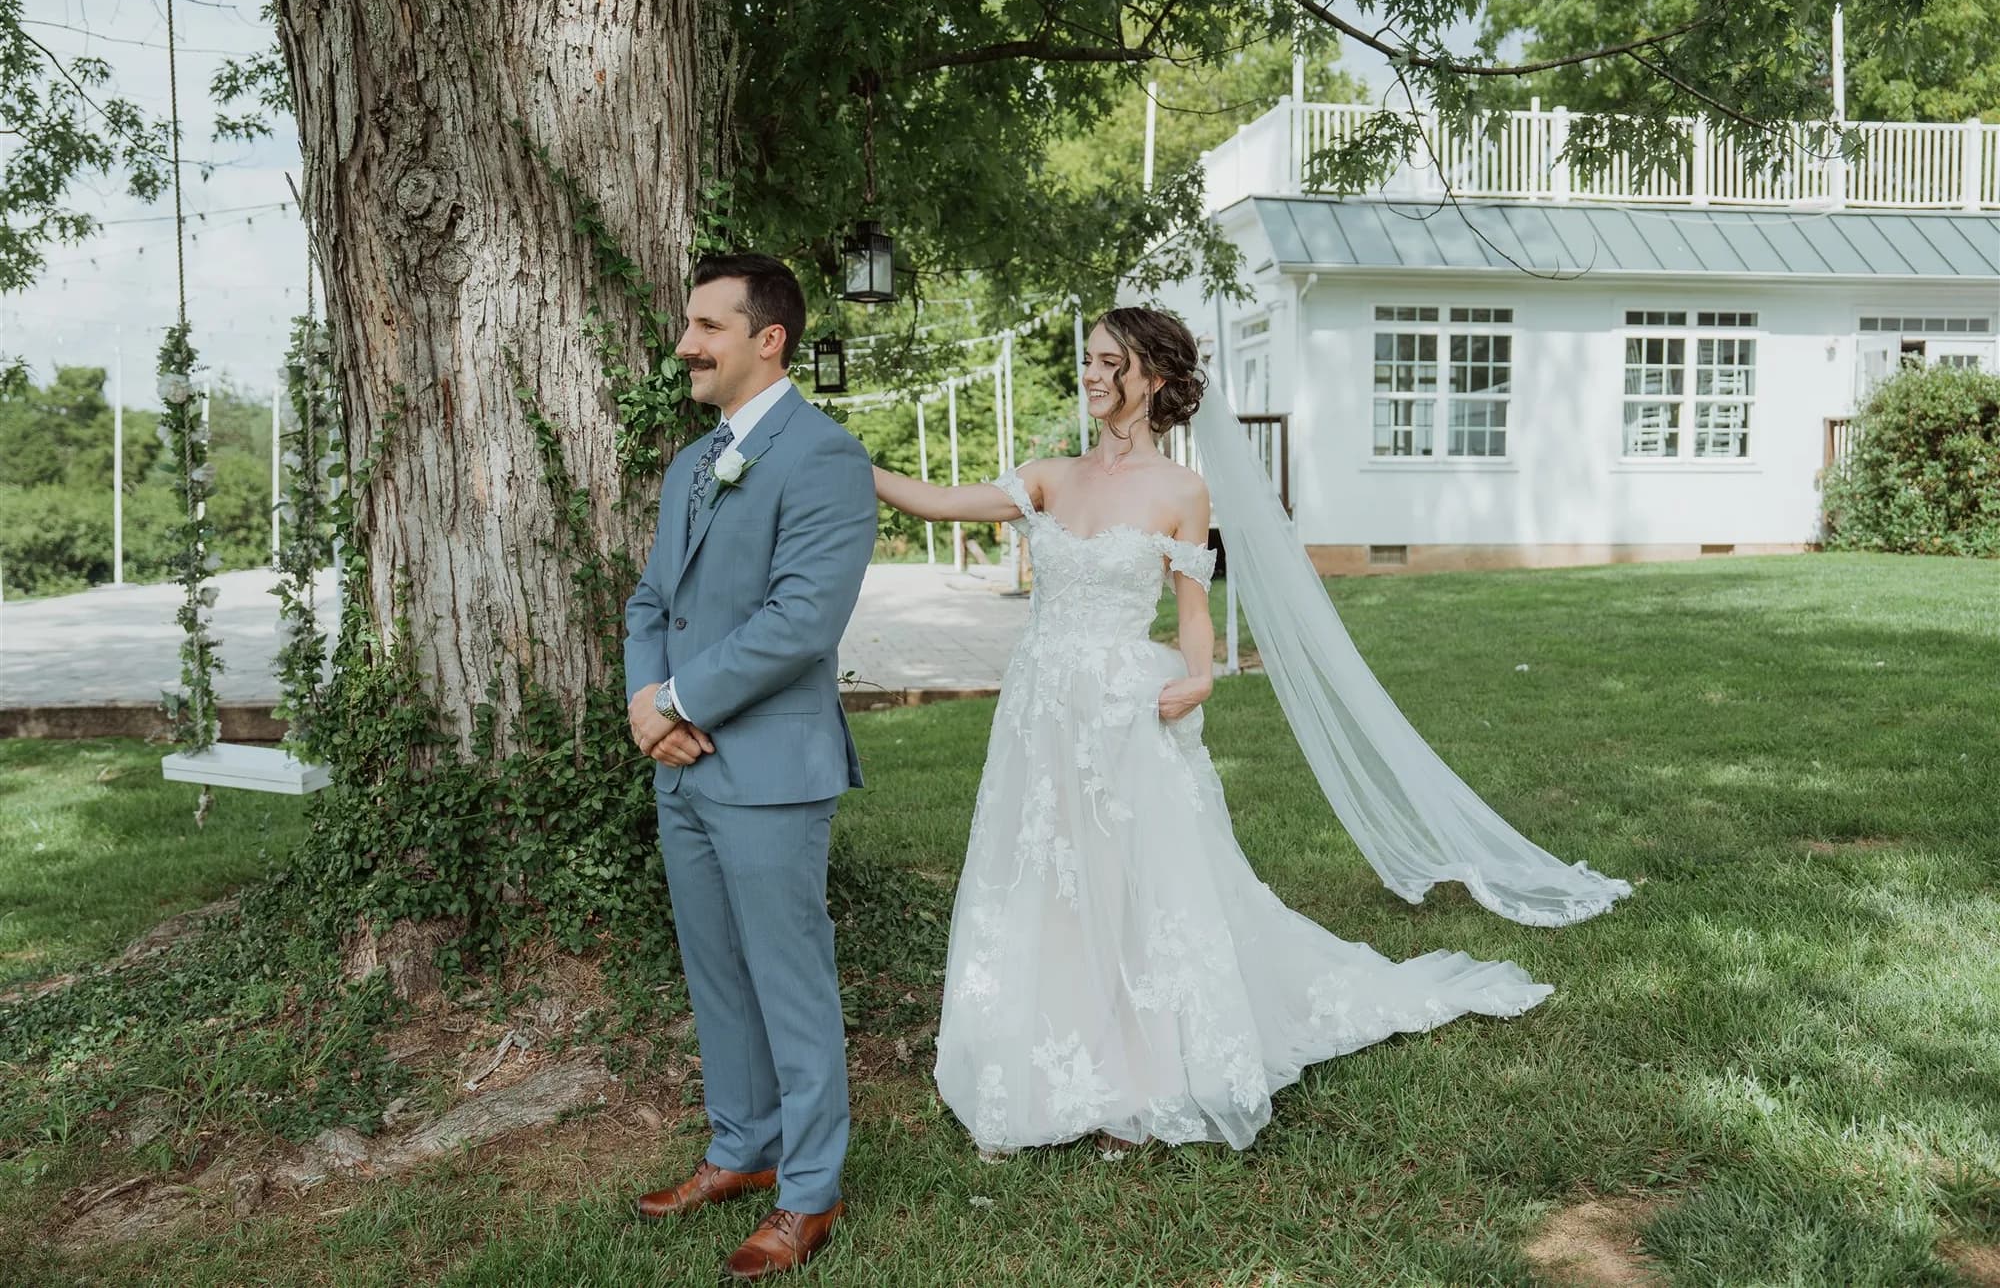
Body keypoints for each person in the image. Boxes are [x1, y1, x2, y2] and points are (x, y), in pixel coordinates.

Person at [874, 306, 1623, 1157]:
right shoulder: (1048, 475)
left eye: (1106, 360)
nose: (1087, 372)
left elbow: (1195, 612)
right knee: (1049, 871)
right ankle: (1050, 1047)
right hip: (1041, 712)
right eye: (1085, 358)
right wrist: (851, 462)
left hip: (1127, 707)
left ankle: (1146, 1060)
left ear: (1151, 378)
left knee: (1133, 880)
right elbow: (934, 501)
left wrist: (1200, 677)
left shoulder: (1182, 491)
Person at [623, 253, 876, 1278]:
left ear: (765, 338)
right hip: (678, 764)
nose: (685, 343)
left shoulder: (826, 458)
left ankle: (809, 1192)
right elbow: (651, 604)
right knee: (716, 973)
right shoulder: (692, 463)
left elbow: (800, 621)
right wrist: (647, 709)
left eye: (704, 326)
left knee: (789, 981)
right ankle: (740, 1149)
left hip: (768, 767)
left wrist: (678, 700)